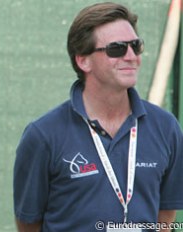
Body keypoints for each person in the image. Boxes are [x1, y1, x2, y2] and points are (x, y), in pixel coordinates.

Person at [13, 2, 183, 232]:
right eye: (117, 49)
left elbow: (166, 214)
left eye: (136, 46)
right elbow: (28, 223)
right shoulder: (44, 135)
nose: (131, 56)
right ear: (83, 60)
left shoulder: (166, 127)